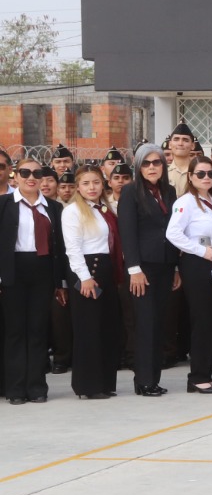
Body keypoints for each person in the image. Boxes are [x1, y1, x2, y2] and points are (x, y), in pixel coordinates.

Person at [0, 158, 68, 405]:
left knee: (38, 330)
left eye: (37, 173)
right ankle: (16, 388)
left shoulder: (53, 208)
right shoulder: (3, 204)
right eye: (25, 172)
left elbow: (60, 247)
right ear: (15, 175)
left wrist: (60, 282)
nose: (31, 177)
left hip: (43, 271)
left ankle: (37, 386)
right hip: (13, 271)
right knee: (15, 331)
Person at [119, 143, 179, 397]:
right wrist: (134, 269)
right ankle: (143, 380)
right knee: (145, 323)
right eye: (146, 163)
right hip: (142, 268)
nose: (152, 167)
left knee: (159, 323)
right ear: (138, 166)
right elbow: (127, 233)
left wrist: (176, 267)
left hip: (166, 265)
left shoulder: (169, 191)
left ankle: (153, 378)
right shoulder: (130, 192)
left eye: (156, 162)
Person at [165, 156, 212, 394]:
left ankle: (206, 374)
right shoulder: (186, 202)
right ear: (190, 177)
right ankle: (197, 377)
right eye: (200, 174)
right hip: (196, 263)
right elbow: (173, 234)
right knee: (202, 320)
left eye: (210, 173)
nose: (206, 178)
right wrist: (202, 251)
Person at [62, 166, 123, 400]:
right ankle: (88, 386)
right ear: (78, 187)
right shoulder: (73, 211)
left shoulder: (105, 209)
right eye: (86, 183)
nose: (92, 187)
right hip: (87, 269)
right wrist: (85, 277)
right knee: (89, 329)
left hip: (105, 268)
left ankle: (105, 383)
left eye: (96, 182)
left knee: (107, 327)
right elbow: (73, 248)